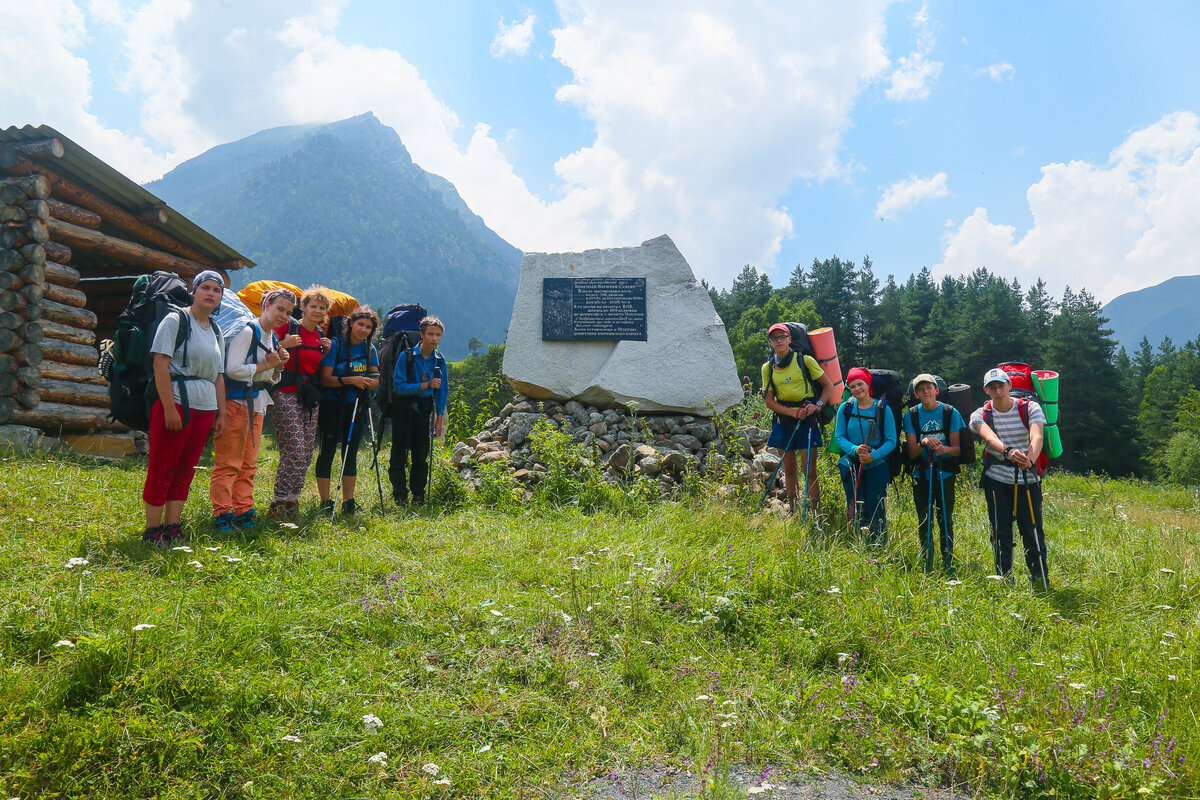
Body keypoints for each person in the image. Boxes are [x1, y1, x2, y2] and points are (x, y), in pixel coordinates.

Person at [141, 271, 227, 545]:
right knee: (162, 466)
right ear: (195, 291)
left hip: (205, 407)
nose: (211, 293)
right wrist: (168, 408)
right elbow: (160, 364)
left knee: (186, 468)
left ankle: (173, 525)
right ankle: (153, 530)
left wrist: (221, 413)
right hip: (177, 402)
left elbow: (219, 375)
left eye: (217, 290)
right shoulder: (176, 319)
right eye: (206, 287)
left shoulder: (216, 330)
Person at [209, 288, 293, 531]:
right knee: (228, 463)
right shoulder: (248, 331)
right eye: (279, 309)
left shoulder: (271, 337)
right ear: (266, 305)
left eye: (288, 313)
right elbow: (232, 369)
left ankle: (244, 509)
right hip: (236, 402)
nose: (283, 316)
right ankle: (222, 513)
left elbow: (268, 376)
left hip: (257, 403)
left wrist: (278, 367)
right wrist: (269, 363)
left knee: (249, 464)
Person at [970, 367, 1050, 590]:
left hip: (1028, 479)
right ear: (986, 390)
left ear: (1009, 386)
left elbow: (1037, 435)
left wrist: (1030, 459)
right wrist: (1008, 452)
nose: (997, 390)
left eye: (1001, 385)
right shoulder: (980, 414)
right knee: (1000, 531)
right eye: (992, 387)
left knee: (1032, 530)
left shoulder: (1030, 407)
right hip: (996, 479)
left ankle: (1040, 579)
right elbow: (988, 437)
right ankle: (1004, 579)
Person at [266, 286, 333, 521]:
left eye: (322, 308)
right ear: (302, 307)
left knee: (305, 453)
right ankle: (279, 503)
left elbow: (310, 365)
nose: (317, 310)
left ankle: (292, 502)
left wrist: (323, 352)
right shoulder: (289, 326)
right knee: (293, 449)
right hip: (284, 392)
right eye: (312, 305)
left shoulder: (320, 335)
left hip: (308, 396)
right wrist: (286, 342)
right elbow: (267, 349)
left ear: (326, 312)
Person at [761, 323, 835, 516]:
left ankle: (816, 512)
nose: (779, 341)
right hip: (785, 419)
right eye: (775, 338)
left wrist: (817, 405)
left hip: (808, 417)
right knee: (789, 469)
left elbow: (828, 386)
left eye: (782, 337)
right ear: (770, 342)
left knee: (809, 470)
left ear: (789, 339)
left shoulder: (805, 360)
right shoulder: (768, 367)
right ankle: (793, 510)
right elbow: (769, 401)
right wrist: (793, 413)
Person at [315, 306, 380, 515]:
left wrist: (370, 383)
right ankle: (325, 501)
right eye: (360, 324)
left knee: (350, 453)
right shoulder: (336, 345)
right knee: (328, 450)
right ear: (350, 323)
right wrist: (350, 380)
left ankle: (348, 502)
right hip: (332, 405)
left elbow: (376, 378)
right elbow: (324, 378)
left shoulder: (370, 349)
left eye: (368, 327)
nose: (363, 329)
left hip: (357, 406)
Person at [903, 373, 965, 572]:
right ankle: (927, 559)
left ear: (936, 390)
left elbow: (957, 449)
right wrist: (923, 442)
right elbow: (912, 453)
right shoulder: (911, 414)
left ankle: (949, 560)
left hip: (945, 473)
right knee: (924, 518)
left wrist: (943, 449)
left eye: (929, 388)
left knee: (945, 517)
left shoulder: (950, 412)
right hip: (921, 474)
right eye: (921, 389)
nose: (925, 391)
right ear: (916, 393)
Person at [389, 315, 448, 506]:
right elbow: (398, 386)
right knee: (399, 452)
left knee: (421, 454)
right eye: (431, 334)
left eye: (438, 335)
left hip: (423, 410)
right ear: (422, 334)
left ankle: (418, 494)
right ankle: (399, 494)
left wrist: (439, 418)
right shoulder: (406, 356)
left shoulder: (440, 360)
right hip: (403, 408)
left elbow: (443, 390)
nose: (434, 339)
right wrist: (426, 385)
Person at [833, 367, 897, 546]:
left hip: (876, 466)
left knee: (876, 506)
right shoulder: (845, 408)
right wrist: (855, 449)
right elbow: (839, 437)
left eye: (860, 384)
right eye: (852, 386)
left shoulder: (883, 409)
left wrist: (873, 456)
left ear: (867, 384)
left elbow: (891, 441)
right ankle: (859, 545)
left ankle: (878, 546)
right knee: (855, 505)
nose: (857, 389)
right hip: (850, 465)